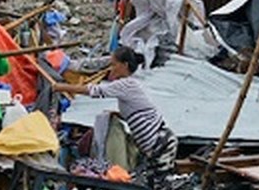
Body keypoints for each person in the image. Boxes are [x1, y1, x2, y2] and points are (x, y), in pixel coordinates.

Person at [54, 45, 177, 179]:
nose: (111, 69)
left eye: (114, 65)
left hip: (161, 143)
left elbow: (96, 91)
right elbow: (135, 112)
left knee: (160, 185)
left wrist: (61, 87)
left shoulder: (126, 85)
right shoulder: (128, 86)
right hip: (156, 145)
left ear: (124, 65)